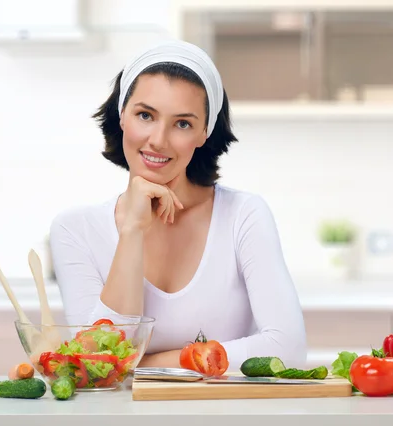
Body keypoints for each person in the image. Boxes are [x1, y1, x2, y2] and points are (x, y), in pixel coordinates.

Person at [49, 38, 308, 370]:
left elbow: (287, 349)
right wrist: (132, 231)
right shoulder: (75, 229)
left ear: (204, 133)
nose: (158, 139)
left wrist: (146, 363)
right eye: (145, 115)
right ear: (122, 116)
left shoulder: (243, 215)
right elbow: (99, 361)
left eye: (182, 124)